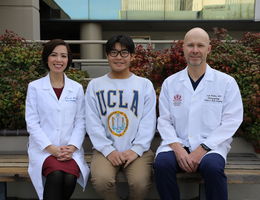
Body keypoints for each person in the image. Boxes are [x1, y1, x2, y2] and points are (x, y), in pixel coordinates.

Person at [153, 27, 243, 200]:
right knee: (162, 165)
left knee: (212, 168)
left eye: (200, 45)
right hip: (178, 143)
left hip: (211, 146)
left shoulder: (226, 82)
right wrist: (179, 150)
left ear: (208, 49)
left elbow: (231, 121)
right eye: (190, 45)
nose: (195, 50)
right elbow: (164, 121)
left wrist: (202, 150)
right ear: (183, 48)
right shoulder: (170, 83)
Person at [85, 34, 156, 200]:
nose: (119, 57)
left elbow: (148, 121)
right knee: (101, 181)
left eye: (124, 52)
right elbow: (92, 122)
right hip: (105, 150)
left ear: (132, 56)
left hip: (138, 150)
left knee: (140, 183)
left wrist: (136, 149)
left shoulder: (144, 85)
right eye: (113, 52)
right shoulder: (95, 85)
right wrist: (108, 150)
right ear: (107, 55)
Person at [25, 39, 89, 200]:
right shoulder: (35, 87)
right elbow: (32, 123)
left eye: (63, 56)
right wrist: (50, 148)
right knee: (56, 175)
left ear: (68, 60)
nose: (59, 60)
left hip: (70, 150)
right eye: (54, 55)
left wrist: (73, 146)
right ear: (47, 58)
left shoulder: (76, 88)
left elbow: (81, 121)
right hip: (44, 150)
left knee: (69, 179)